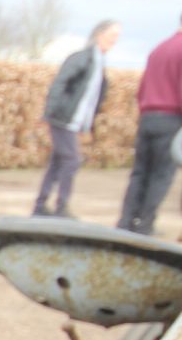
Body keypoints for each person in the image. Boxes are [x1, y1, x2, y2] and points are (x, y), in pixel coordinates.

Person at [118, 2, 182, 234]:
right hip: (170, 118)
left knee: (140, 172)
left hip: (148, 117)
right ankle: (145, 224)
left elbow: (142, 88)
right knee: (161, 175)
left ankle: (125, 221)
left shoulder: (159, 48)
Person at [34, 19, 120, 217]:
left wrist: (86, 124)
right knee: (72, 160)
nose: (115, 40)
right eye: (112, 35)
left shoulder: (98, 62)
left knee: (59, 161)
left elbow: (92, 98)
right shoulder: (82, 58)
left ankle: (41, 205)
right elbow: (60, 83)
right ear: (99, 35)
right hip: (63, 118)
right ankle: (61, 207)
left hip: (72, 121)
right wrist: (52, 112)